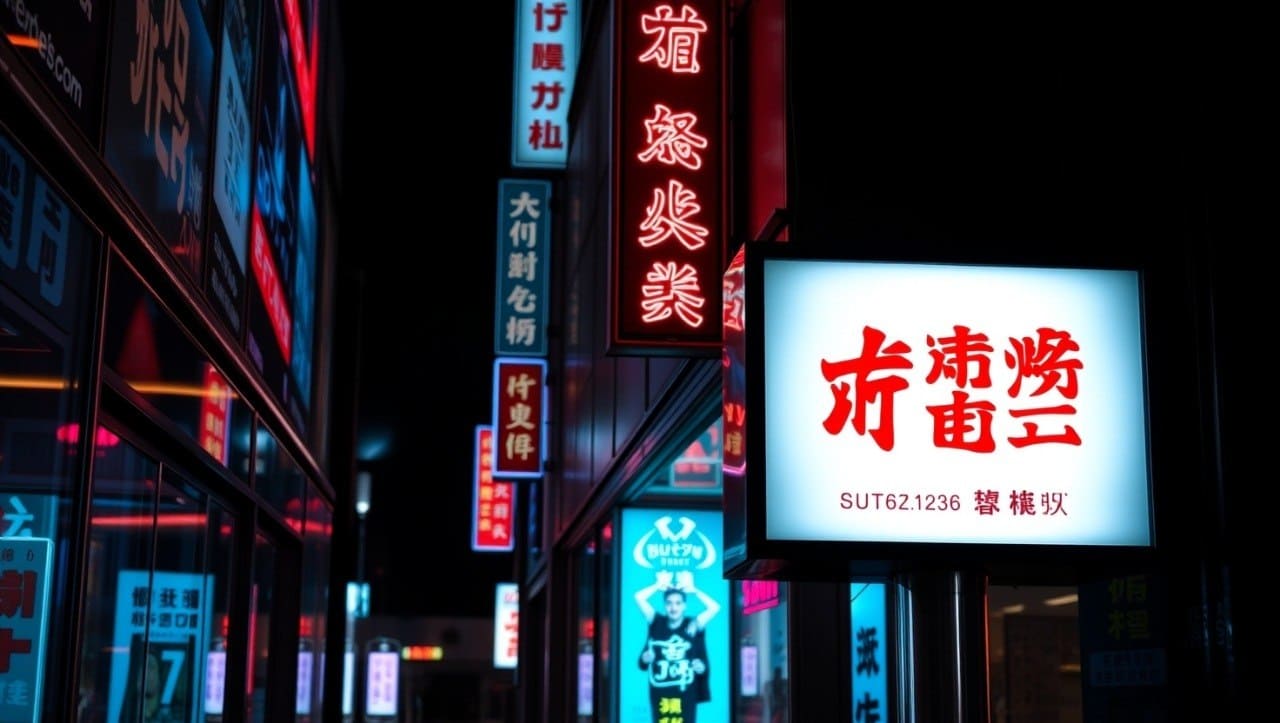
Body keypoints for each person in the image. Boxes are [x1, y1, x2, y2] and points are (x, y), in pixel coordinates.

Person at [635, 570, 721, 723]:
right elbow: (638, 597)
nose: (673, 607)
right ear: (665, 605)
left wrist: (694, 590)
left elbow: (714, 607)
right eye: (669, 603)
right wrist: (657, 585)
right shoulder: (656, 622)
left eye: (678, 603)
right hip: (660, 693)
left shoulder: (692, 624)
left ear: (684, 606)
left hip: (685, 693)